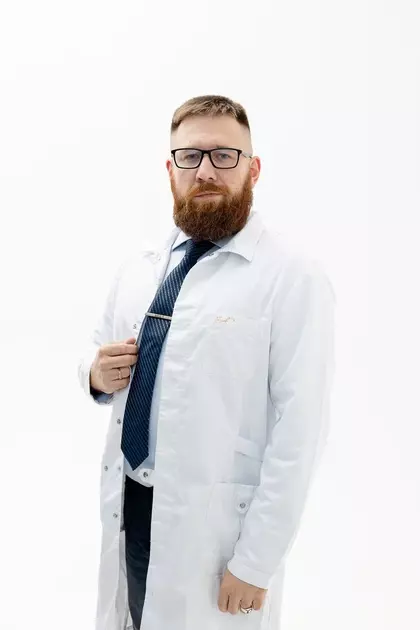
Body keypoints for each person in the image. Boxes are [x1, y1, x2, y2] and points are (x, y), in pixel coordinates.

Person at [77, 94, 336, 630]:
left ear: (253, 169)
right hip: (133, 508)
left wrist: (257, 562)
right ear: (170, 169)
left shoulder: (290, 277)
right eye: (191, 156)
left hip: (216, 533)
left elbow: (301, 431)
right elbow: (96, 351)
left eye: (224, 155)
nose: (206, 171)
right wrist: (94, 375)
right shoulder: (141, 268)